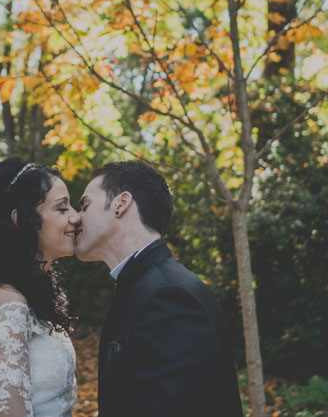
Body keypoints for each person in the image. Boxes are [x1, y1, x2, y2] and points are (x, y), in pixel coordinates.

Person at [74, 160, 243, 417]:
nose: (76, 218)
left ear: (121, 204)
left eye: (85, 205)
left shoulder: (169, 296)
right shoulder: (144, 285)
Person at [0, 157, 80, 417]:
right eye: (62, 208)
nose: (76, 217)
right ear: (21, 220)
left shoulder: (28, 295)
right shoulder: (3, 301)